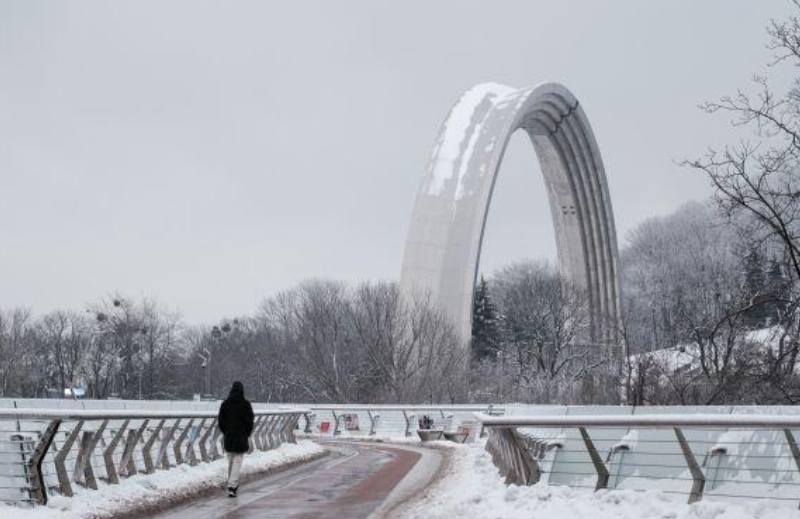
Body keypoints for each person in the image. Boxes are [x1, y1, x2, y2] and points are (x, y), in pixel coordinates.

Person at [217, 381, 254, 497]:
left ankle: (231, 483)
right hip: (241, 436)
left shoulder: (225, 404)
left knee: (231, 461)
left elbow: (221, 421)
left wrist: (226, 431)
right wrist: (246, 433)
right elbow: (250, 422)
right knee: (237, 461)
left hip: (229, 436)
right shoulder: (246, 404)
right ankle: (232, 486)